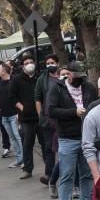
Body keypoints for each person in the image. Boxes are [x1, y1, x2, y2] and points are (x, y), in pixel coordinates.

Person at [47, 61, 97, 200]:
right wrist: (73, 112)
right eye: (77, 76)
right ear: (68, 73)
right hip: (67, 138)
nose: (80, 79)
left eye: (82, 76)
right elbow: (51, 110)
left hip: (86, 138)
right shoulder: (57, 88)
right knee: (67, 175)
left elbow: (96, 107)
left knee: (86, 175)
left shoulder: (88, 87)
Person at [12, 54, 44, 180]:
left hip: (41, 117)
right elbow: (12, 97)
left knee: (45, 143)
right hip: (26, 118)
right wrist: (22, 108)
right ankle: (27, 169)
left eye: (31, 61)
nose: (29, 64)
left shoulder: (40, 77)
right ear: (22, 66)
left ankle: (49, 167)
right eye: (26, 63)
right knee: (27, 144)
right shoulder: (17, 79)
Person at [35, 54, 61, 191]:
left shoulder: (63, 77)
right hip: (48, 120)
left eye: (52, 62)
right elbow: (38, 99)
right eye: (48, 62)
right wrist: (42, 116)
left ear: (57, 63)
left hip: (63, 119)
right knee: (49, 148)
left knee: (64, 148)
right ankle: (49, 174)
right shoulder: (42, 80)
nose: (50, 64)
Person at [0, 61, 22, 168]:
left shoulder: (14, 81)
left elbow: (20, 99)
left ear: (4, 71)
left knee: (17, 137)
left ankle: (24, 160)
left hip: (14, 115)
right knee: (13, 138)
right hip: (4, 116)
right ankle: (19, 160)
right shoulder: (0, 84)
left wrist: (19, 114)